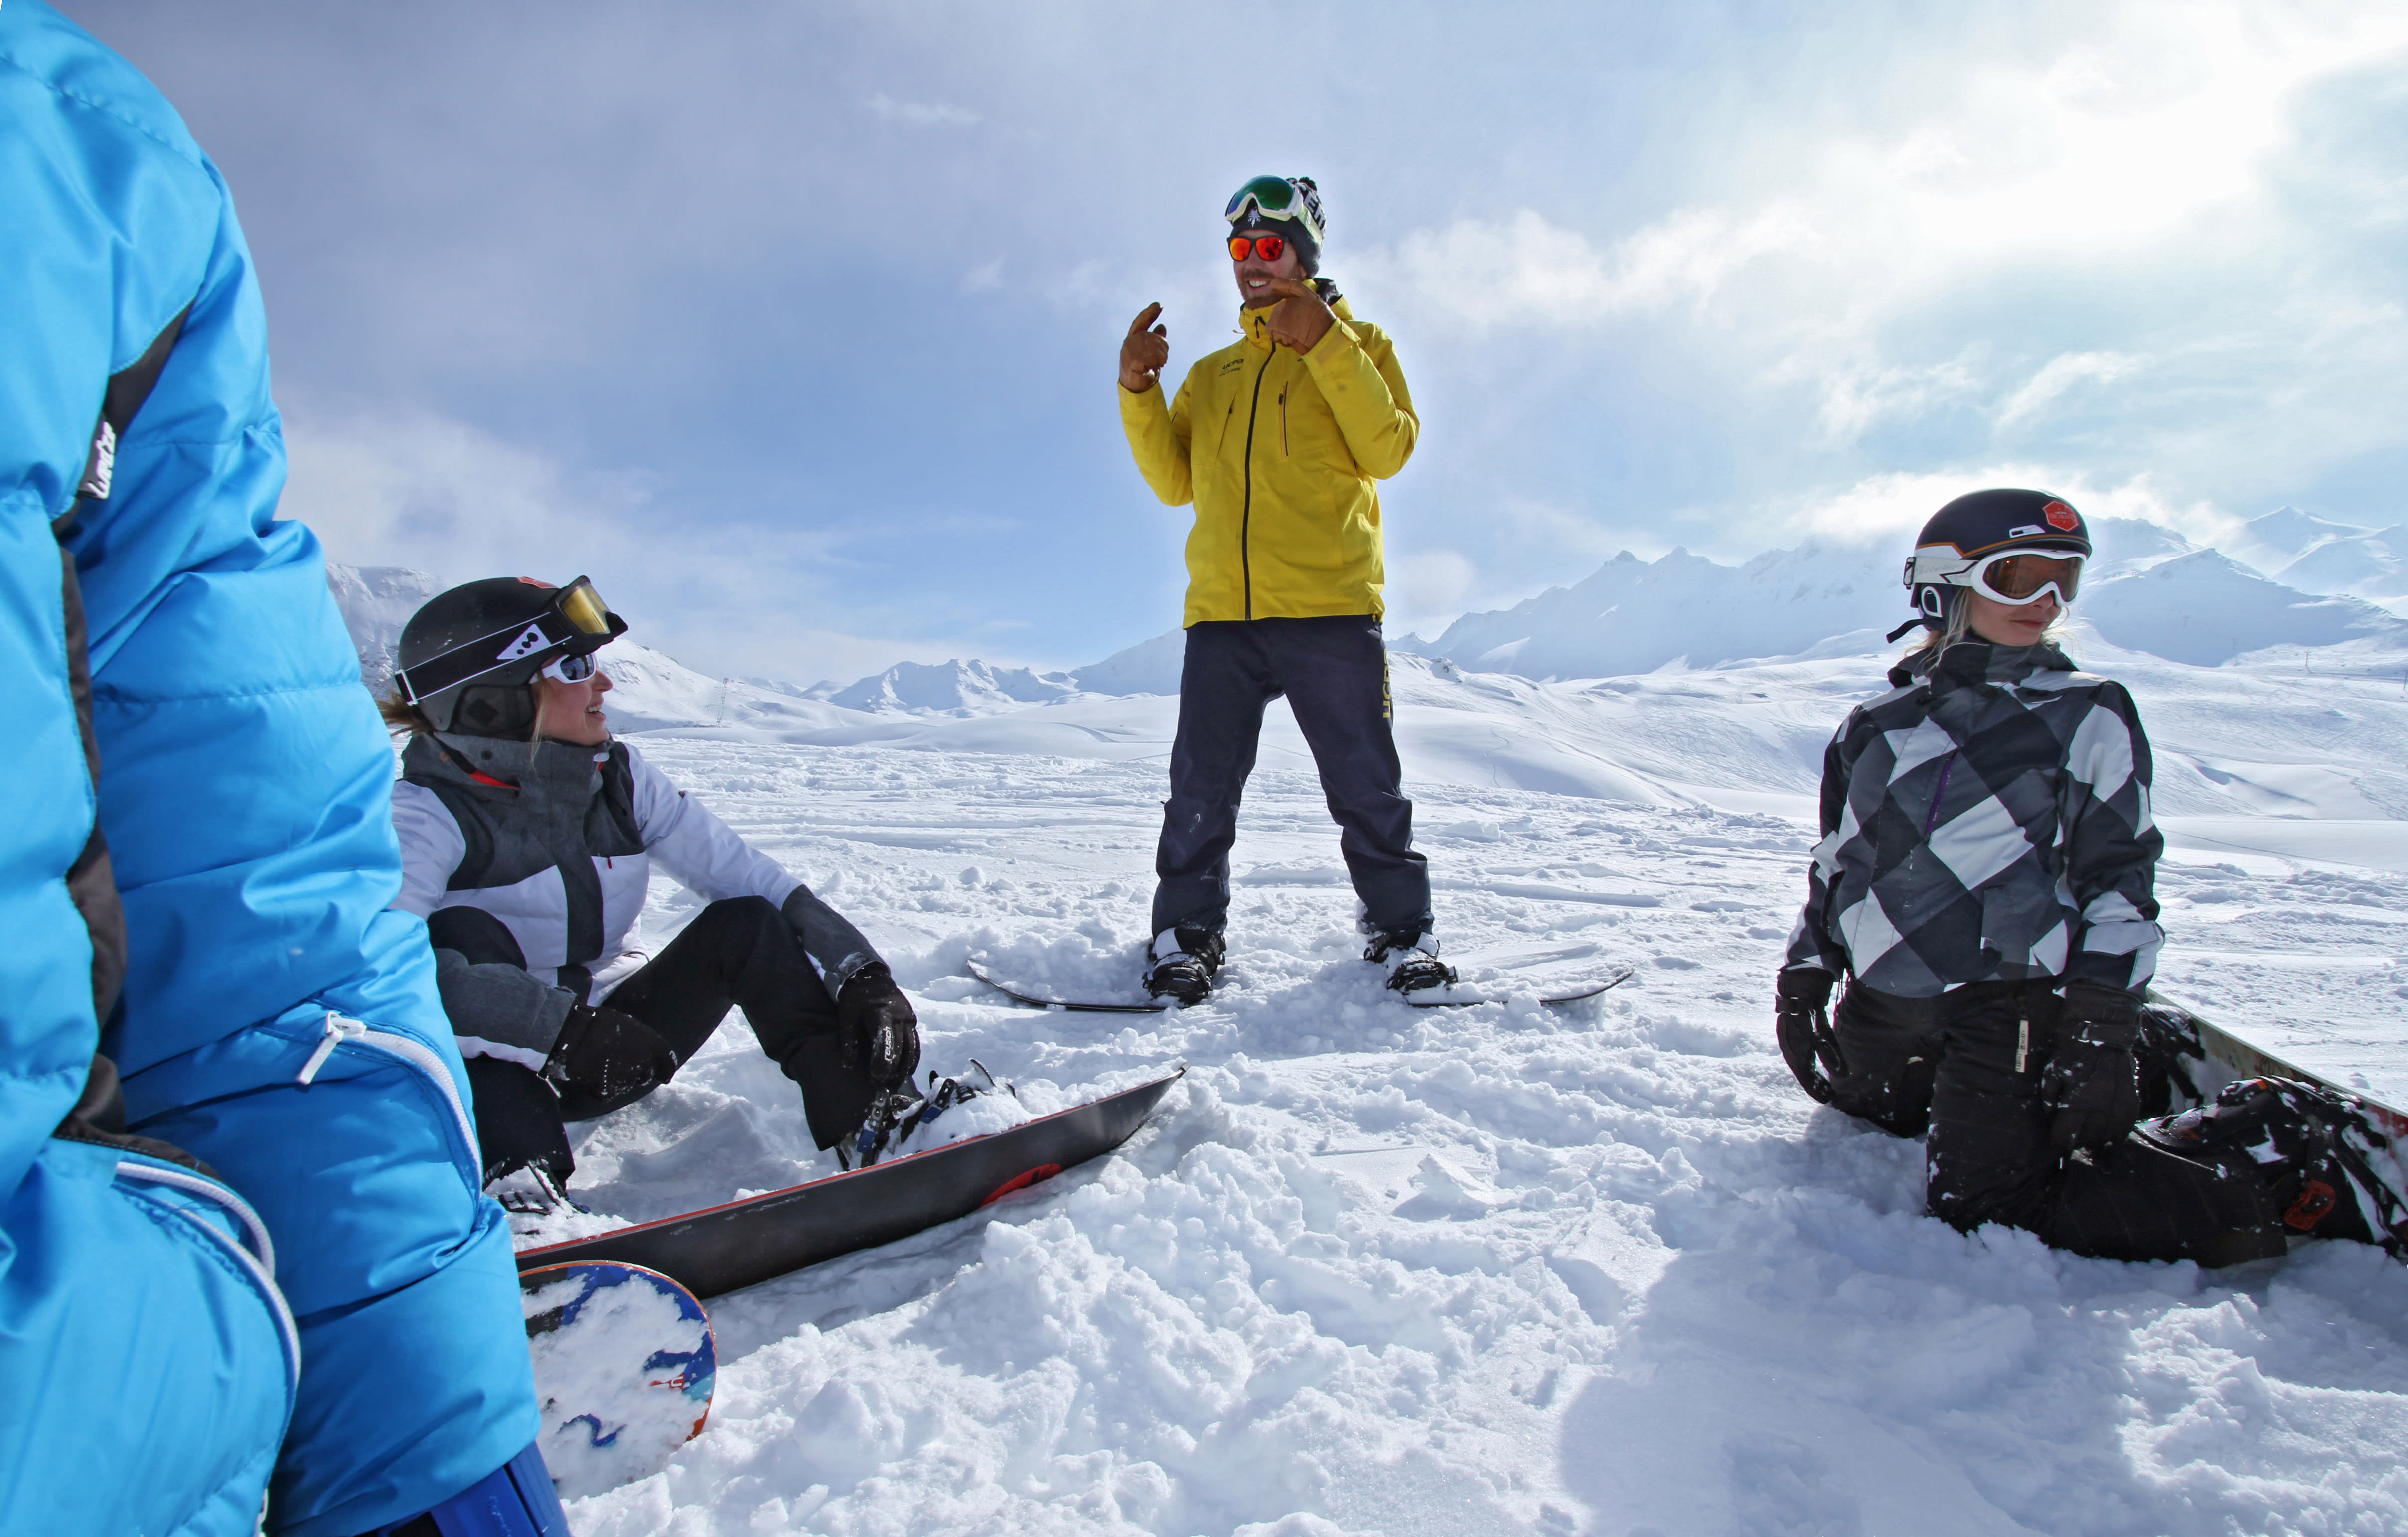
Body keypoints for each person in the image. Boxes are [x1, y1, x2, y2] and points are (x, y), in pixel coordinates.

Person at [1, 5, 561, 1535]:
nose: (594, 694)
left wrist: (418, 1402)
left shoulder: (84, 168)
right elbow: (404, 945)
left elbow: (275, 945)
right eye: (563, 668)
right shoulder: (438, 804)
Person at [1775, 488, 2405, 1264]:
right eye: (2018, 578)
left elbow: (2120, 875)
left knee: (1988, 1206)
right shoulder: (1876, 724)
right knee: (1874, 1116)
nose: (2045, 602)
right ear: (1943, 585)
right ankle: (2157, 1054)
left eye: (2063, 580)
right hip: (1890, 997)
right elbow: (1841, 861)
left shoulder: (2086, 711)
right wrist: (1806, 973)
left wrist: (2101, 1022)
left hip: (2009, 995)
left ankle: (2300, 1151)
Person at [382, 576, 922, 1195]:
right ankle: (519, 1193)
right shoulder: (421, 815)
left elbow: (748, 878)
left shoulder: (618, 779)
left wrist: (861, 972)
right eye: (576, 665)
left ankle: (878, 1121)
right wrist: (556, 1029)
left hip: (623, 1047)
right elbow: (376, 974)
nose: (604, 684)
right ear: (493, 701)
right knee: (458, 935)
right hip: (498, 1075)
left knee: (746, 922)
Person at [1117, 175, 1448, 1004]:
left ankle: (1401, 934)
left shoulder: (1361, 342)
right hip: (1224, 617)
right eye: (1240, 250)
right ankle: (1185, 939)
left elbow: (1388, 448)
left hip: (1330, 609)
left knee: (1366, 786)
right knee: (1199, 790)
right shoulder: (1215, 373)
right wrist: (1138, 390)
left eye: (1270, 248)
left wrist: (1324, 344)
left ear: (1303, 254)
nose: (1253, 265)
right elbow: (1173, 481)